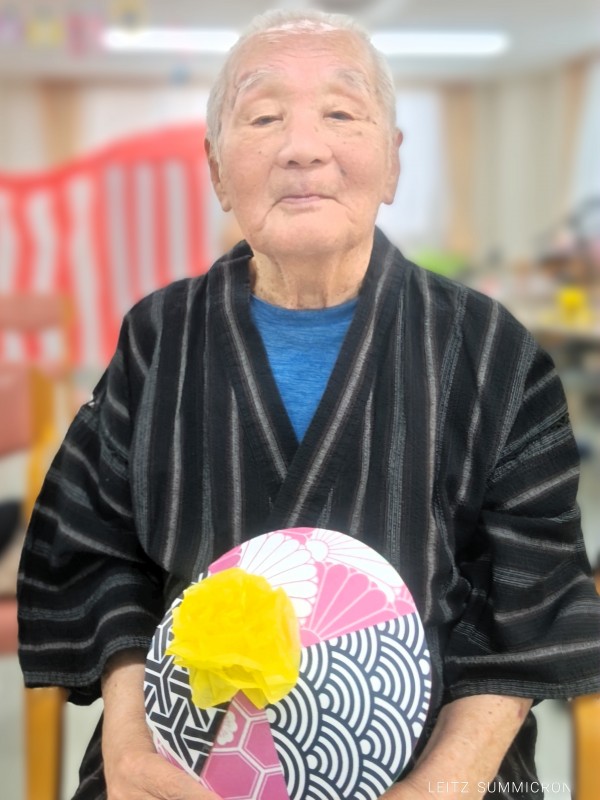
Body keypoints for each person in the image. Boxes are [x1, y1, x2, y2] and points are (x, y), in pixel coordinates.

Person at [17, 9, 600, 800]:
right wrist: (125, 741)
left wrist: (446, 782)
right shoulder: (159, 337)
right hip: (182, 756)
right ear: (217, 169)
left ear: (392, 164)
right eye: (263, 117)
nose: (302, 147)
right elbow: (89, 548)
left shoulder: (493, 348)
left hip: (440, 758)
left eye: (342, 113)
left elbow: (531, 587)